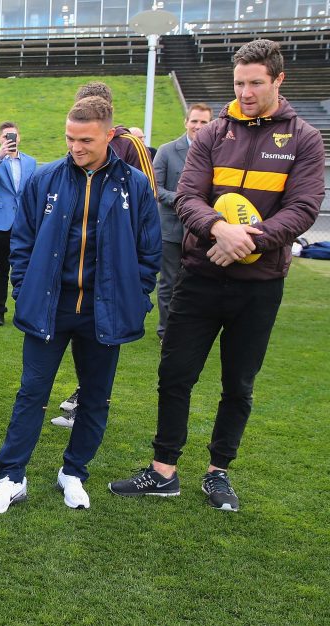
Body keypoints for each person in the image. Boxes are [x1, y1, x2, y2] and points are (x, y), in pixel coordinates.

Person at [109, 40, 324, 511]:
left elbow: (305, 207)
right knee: (175, 374)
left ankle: (218, 473)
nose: (245, 92)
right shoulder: (212, 134)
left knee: (238, 384)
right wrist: (220, 230)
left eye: (255, 83)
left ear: (278, 80)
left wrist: (249, 242)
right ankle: (163, 470)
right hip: (199, 276)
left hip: (259, 284)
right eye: (239, 83)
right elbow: (188, 197)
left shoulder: (304, 138)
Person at [0, 95, 161, 513]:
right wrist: (23, 289)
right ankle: (11, 477)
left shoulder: (134, 184)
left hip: (104, 311)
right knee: (31, 394)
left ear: (109, 136)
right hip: (50, 307)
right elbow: (20, 242)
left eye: (85, 140)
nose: (75, 147)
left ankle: (74, 473)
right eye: (69, 138)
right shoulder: (45, 179)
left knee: (95, 399)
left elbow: (150, 253)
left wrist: (138, 299)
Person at [51, 81, 160, 429]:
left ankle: (88, 400)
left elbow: (148, 201)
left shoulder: (129, 147)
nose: (77, 142)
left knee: (100, 344)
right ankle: (83, 396)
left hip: (113, 269)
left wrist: (137, 291)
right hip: (74, 272)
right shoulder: (74, 150)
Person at [151, 103, 213, 339]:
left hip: (204, 232)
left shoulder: (216, 152)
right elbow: (155, 188)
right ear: (186, 122)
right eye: (194, 121)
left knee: (199, 282)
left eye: (203, 122)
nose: (198, 126)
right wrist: (186, 202)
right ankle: (166, 331)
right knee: (169, 283)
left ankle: (194, 328)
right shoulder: (167, 151)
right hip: (172, 231)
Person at [0, 121, 37, 327]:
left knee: (26, 266)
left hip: (25, 222)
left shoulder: (31, 162)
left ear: (19, 137)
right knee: (1, 267)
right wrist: (0, 155)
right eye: (6, 136)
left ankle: (24, 309)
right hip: (0, 222)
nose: (10, 139)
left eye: (13, 135)